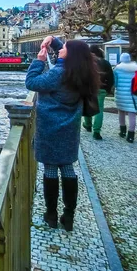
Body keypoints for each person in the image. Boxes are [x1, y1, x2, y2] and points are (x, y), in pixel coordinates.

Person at [26, 36, 100, 231]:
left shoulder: (58, 74)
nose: (61, 47)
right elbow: (69, 51)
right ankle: (69, 215)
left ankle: (51, 214)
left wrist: (39, 61)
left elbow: (32, 82)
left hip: (50, 128)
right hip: (69, 129)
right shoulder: (79, 72)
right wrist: (54, 40)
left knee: (50, 169)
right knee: (68, 169)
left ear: (70, 54)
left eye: (64, 46)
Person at [82, 46, 114, 140]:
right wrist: (108, 89)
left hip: (88, 88)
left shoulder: (86, 62)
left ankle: (88, 125)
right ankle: (97, 131)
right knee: (99, 109)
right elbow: (111, 78)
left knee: (87, 105)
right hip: (101, 88)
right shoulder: (105, 62)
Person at [113, 53, 137, 143]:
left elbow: (115, 83)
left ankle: (122, 131)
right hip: (133, 94)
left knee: (121, 112)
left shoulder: (117, 68)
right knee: (132, 114)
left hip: (121, 94)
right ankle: (131, 135)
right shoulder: (135, 67)